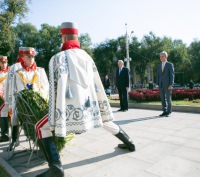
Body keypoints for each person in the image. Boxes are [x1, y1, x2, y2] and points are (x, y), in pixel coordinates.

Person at [35, 22, 135, 177]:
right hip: (89, 104)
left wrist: (56, 113)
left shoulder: (57, 58)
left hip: (68, 107)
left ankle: (56, 168)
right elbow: (97, 83)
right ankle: (129, 142)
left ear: (64, 37)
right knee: (104, 120)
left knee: (41, 127)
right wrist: (101, 105)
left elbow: (54, 89)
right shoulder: (87, 56)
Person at [10, 47, 49, 148]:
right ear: (23, 58)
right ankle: (14, 140)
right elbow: (14, 90)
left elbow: (46, 87)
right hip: (22, 104)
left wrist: (40, 98)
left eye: (32, 56)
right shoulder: (17, 73)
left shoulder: (40, 71)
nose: (31, 58)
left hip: (38, 103)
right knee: (14, 118)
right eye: (29, 57)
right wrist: (12, 103)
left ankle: (41, 142)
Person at [5, 47, 24, 151]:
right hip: (18, 99)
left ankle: (14, 140)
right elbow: (8, 84)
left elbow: (7, 85)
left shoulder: (13, 67)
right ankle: (14, 140)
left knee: (15, 119)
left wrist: (7, 100)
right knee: (15, 118)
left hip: (17, 100)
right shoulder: (14, 67)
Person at [156, 51, 174, 117]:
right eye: (160, 57)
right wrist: (157, 84)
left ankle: (169, 112)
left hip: (168, 85)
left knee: (168, 99)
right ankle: (164, 111)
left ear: (166, 57)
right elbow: (158, 75)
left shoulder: (170, 64)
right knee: (162, 99)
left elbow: (172, 75)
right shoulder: (158, 66)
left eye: (162, 56)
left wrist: (171, 84)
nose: (161, 58)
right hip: (161, 85)